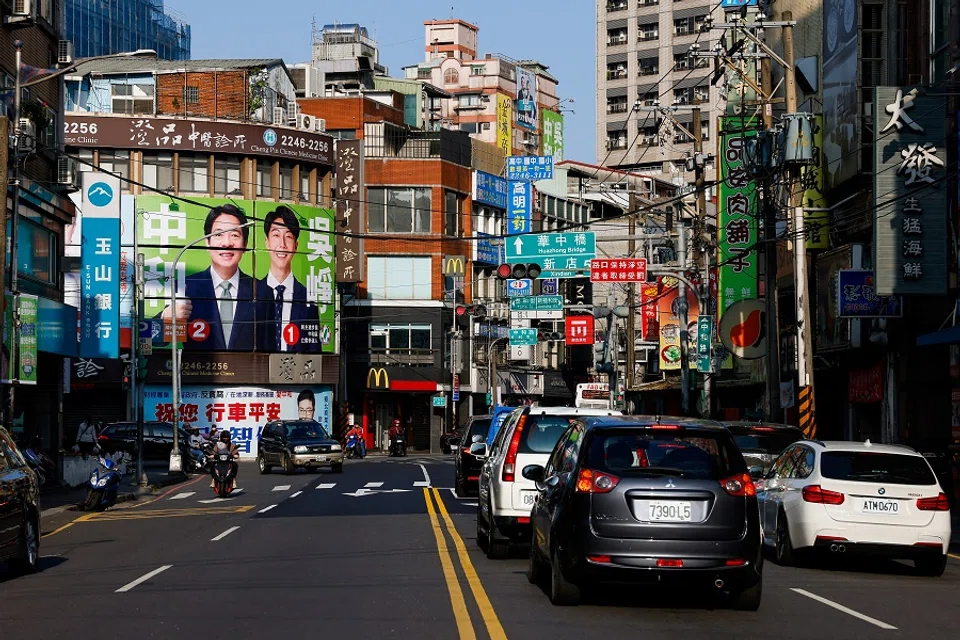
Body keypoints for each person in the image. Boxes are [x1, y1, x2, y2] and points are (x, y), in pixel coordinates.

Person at [159, 204, 257, 350]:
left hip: (249, 372)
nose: (226, 243)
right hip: (200, 371)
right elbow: (154, 340)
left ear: (245, 244)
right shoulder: (188, 287)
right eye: (218, 234)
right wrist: (166, 318)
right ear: (207, 242)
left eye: (235, 235)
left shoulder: (261, 290)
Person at [259, 206, 322, 353]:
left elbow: (314, 350)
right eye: (276, 235)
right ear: (267, 242)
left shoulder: (308, 299)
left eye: (288, 236)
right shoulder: (251, 294)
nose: (282, 244)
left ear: (296, 246)